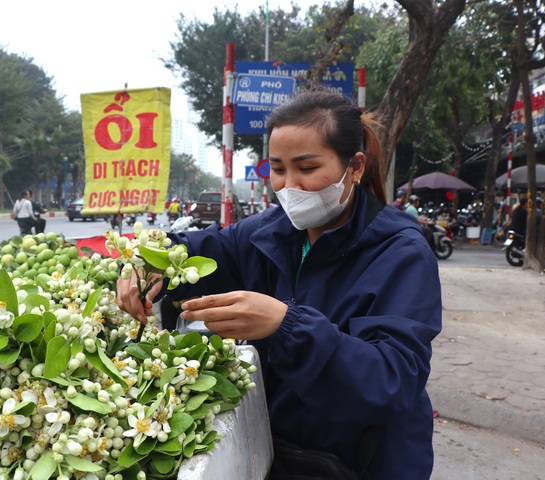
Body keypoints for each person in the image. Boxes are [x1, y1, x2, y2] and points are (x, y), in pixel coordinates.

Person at [117, 88, 441, 479]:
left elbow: (392, 381)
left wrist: (284, 325)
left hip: (363, 463)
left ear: (354, 167)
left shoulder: (400, 252)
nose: (289, 186)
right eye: (278, 168)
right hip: (283, 453)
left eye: (306, 168)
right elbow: (198, 250)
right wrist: (149, 263)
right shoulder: (270, 232)